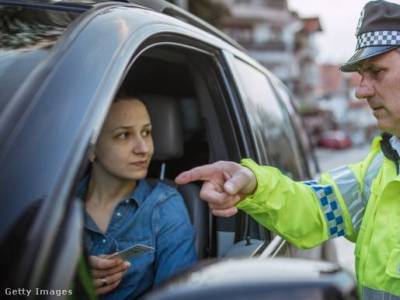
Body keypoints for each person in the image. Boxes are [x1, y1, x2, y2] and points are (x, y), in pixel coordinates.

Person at [175, 1, 400, 299]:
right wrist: (252, 183)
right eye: (361, 74)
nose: (361, 90)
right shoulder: (379, 166)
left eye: (376, 71)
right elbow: (317, 208)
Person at [80, 97, 197, 299]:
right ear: (91, 149)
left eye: (146, 132)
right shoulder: (54, 206)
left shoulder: (164, 207)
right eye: (124, 135)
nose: (143, 148)